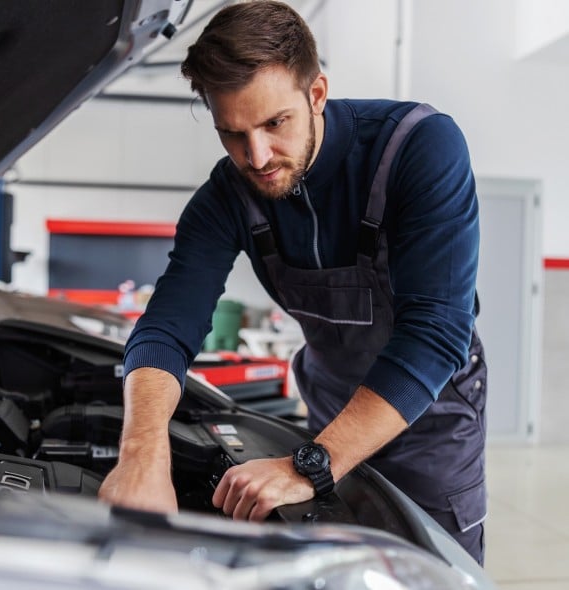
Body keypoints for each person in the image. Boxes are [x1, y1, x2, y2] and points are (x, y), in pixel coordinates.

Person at [98, 0, 487, 565]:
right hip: (328, 407)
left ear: (317, 94)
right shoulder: (225, 197)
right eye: (232, 133)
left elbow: (436, 332)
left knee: (429, 571)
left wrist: (312, 463)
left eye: (274, 123)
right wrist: (141, 452)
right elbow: (167, 326)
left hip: (430, 428)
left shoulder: (418, 148)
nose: (256, 158)